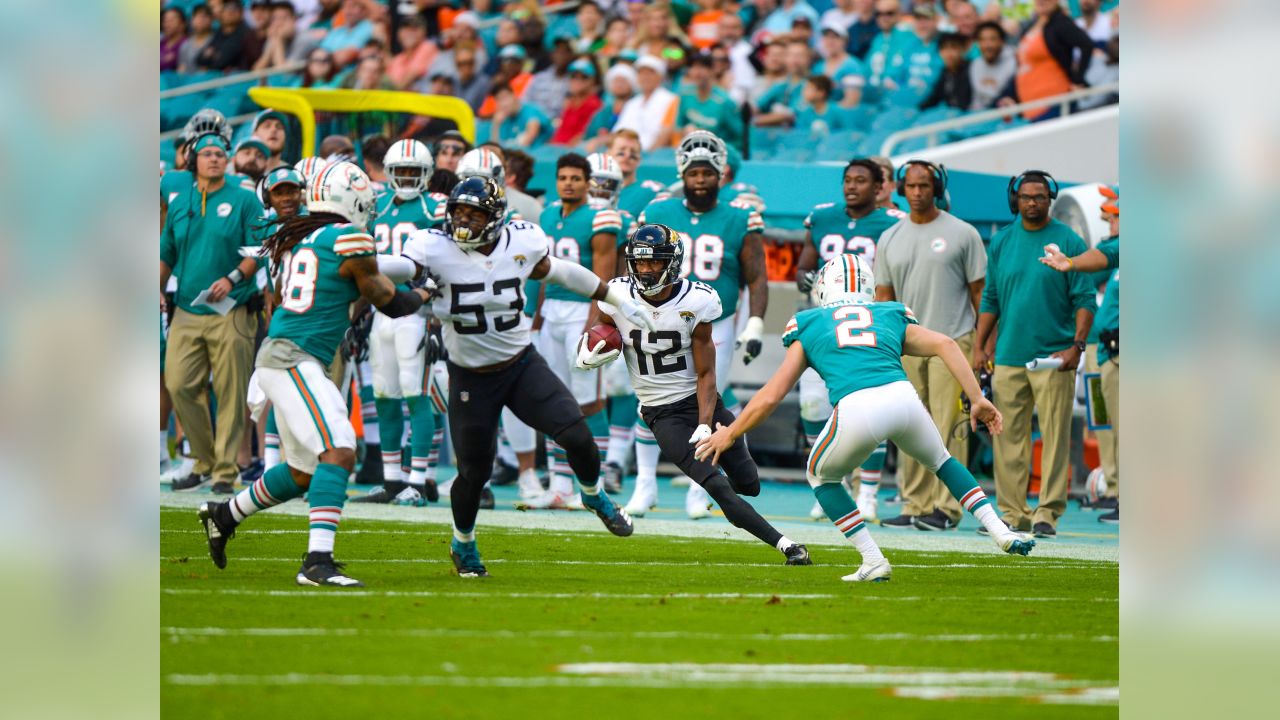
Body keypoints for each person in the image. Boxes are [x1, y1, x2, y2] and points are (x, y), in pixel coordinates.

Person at [695, 254, 1036, 582]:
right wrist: (977, 398)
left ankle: (873, 559)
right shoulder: (890, 313)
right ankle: (1000, 530)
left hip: (858, 406)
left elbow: (772, 395)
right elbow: (946, 343)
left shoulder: (809, 322)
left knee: (820, 477)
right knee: (943, 462)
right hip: (905, 401)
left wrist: (730, 434)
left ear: (825, 286)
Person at [197, 161, 436, 587]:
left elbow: (365, 274)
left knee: (304, 471)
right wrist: (424, 290)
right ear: (355, 198)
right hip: (294, 359)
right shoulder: (349, 237)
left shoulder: (303, 237)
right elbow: (388, 300)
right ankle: (316, 562)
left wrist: (413, 270)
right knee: (340, 449)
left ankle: (224, 514)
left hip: (285, 357)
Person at [401, 177, 652, 577]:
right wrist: (366, 264)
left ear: (496, 218)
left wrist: (616, 299)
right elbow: (402, 269)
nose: (464, 220)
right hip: (469, 375)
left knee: (577, 435)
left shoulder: (521, 241)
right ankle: (463, 542)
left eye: (475, 213)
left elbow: (563, 273)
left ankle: (592, 495)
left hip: (520, 364)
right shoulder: (432, 247)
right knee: (473, 472)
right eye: (459, 211)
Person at [584, 224, 811, 564]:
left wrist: (706, 423)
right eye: (640, 262)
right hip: (662, 414)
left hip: (702, 402)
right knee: (716, 487)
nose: (645, 270)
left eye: (654, 262)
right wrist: (594, 346)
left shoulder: (697, 300)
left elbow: (706, 372)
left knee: (749, 484)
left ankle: (721, 490)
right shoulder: (617, 293)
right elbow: (603, 327)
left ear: (672, 263)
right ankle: (787, 546)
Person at [634, 131, 768, 518]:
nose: (700, 179)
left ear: (720, 175)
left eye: (708, 172)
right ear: (682, 173)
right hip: (658, 319)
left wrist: (756, 321)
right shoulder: (659, 210)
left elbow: (756, 275)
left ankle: (699, 490)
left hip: (714, 323)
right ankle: (645, 483)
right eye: (693, 172)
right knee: (651, 400)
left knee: (703, 404)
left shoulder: (741, 215)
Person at [974, 170, 1095, 538]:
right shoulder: (1002, 241)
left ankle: (1047, 512)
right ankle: (1013, 512)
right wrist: (980, 346)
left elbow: (1085, 298)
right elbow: (991, 297)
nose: (1032, 202)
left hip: (1054, 357)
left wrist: (1077, 345)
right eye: (1026, 197)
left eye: (1040, 197)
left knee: (1056, 436)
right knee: (1006, 435)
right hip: (1009, 355)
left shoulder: (1068, 241)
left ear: (1050, 199)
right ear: (1016, 199)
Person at [874, 160, 988, 532]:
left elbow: (980, 293)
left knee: (950, 424)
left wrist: (984, 347)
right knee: (908, 425)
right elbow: (884, 297)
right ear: (902, 190)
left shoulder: (963, 233)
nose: (918, 192)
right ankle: (915, 503)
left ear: (936, 188)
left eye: (925, 186)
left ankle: (948, 507)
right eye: (912, 186)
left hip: (953, 341)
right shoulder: (890, 237)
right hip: (907, 344)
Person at [794, 158, 905, 521]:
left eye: (861, 180)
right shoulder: (823, 217)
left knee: (872, 405)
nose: (851, 186)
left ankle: (869, 491)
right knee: (812, 405)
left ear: (879, 188)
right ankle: (830, 483)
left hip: (867, 325)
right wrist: (809, 281)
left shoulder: (893, 224)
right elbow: (802, 268)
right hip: (824, 324)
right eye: (847, 180)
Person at [161, 134, 266, 494]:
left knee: (230, 390)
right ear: (194, 160)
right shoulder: (181, 202)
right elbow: (167, 252)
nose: (215, 159)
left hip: (232, 307)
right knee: (178, 382)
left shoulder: (245, 200)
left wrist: (233, 277)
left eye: (221, 154)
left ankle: (224, 471)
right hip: (189, 307)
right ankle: (204, 460)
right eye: (207, 154)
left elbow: (259, 248)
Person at [349, 140, 447, 508]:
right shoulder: (378, 205)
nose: (407, 177)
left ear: (426, 173)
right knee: (385, 396)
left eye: (414, 171)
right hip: (381, 312)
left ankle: (418, 481)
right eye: (401, 171)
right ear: (389, 172)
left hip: (417, 313)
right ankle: (392, 481)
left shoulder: (434, 207)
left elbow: (445, 260)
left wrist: (436, 313)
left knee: (416, 396)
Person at [522, 154, 623, 509]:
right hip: (551, 312)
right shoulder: (548, 214)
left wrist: (597, 320)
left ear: (588, 182)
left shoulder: (600, 217)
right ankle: (560, 482)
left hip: (583, 308)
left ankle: (597, 480)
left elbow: (603, 275)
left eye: (576, 178)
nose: (568, 183)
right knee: (555, 398)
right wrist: (532, 314)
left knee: (589, 399)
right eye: (563, 177)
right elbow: (540, 271)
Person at [1041, 187, 1120, 525]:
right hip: (1103, 351)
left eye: (1113, 217)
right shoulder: (1116, 255)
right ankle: (1114, 487)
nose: (1109, 224)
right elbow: (1099, 262)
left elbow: (1100, 258)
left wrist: (1070, 261)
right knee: (1105, 421)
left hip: (1118, 352)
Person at [1013, 0, 1095, 121]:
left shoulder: (1060, 22)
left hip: (1054, 103)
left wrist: (1078, 79)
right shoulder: (1033, 25)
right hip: (1032, 107)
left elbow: (1086, 44)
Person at [676, 53, 744, 150]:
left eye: (702, 67)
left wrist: (709, 139)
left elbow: (741, 138)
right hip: (692, 151)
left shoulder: (724, 102)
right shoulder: (685, 94)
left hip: (720, 154)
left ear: (712, 71)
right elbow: (679, 126)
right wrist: (687, 132)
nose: (697, 72)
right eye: (692, 67)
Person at [614, 55, 679, 151]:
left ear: (660, 76)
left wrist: (648, 156)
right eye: (641, 73)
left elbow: (666, 133)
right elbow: (618, 132)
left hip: (654, 157)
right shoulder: (632, 103)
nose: (645, 77)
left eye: (650, 73)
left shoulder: (671, 99)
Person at [607, 129, 667, 218]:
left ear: (639, 159)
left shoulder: (653, 191)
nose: (627, 155)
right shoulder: (595, 190)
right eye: (621, 151)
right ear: (608, 155)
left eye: (633, 152)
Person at [551, 58, 605, 146]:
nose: (577, 80)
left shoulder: (594, 104)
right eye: (573, 76)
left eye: (584, 77)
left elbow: (583, 136)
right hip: (556, 148)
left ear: (593, 81)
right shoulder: (570, 102)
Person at [197, 0, 260, 71]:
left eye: (234, 10)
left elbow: (221, 62)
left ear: (241, 13)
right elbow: (199, 59)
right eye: (226, 10)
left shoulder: (245, 32)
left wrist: (213, 55)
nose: (229, 13)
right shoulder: (220, 31)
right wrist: (216, 56)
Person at [968, 20, 1017, 110]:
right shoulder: (975, 64)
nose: (987, 45)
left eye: (992, 39)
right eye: (982, 40)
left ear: (1002, 42)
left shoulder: (1015, 61)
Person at [523, 37, 575, 120]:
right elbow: (525, 102)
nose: (560, 56)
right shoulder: (539, 78)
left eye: (564, 52)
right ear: (552, 55)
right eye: (557, 52)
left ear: (571, 55)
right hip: (535, 122)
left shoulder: (575, 81)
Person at [487, 83, 551, 148]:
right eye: (498, 100)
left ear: (514, 96)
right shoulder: (505, 120)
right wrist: (496, 125)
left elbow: (528, 139)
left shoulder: (530, 110)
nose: (504, 104)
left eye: (505, 97)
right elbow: (495, 148)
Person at [387, 15, 439, 90]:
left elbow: (411, 76)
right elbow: (390, 82)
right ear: (398, 33)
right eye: (406, 29)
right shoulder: (397, 59)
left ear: (424, 32)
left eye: (414, 29)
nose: (410, 33)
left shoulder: (427, 47)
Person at [178, 4, 214, 73]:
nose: (201, 20)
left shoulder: (217, 41)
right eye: (197, 16)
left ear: (211, 20)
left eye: (205, 16)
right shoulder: (185, 45)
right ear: (192, 20)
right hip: (189, 82)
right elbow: (181, 70)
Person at [161, 7, 188, 73]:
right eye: (165, 20)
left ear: (182, 24)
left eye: (171, 20)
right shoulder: (161, 43)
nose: (167, 24)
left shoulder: (186, 44)